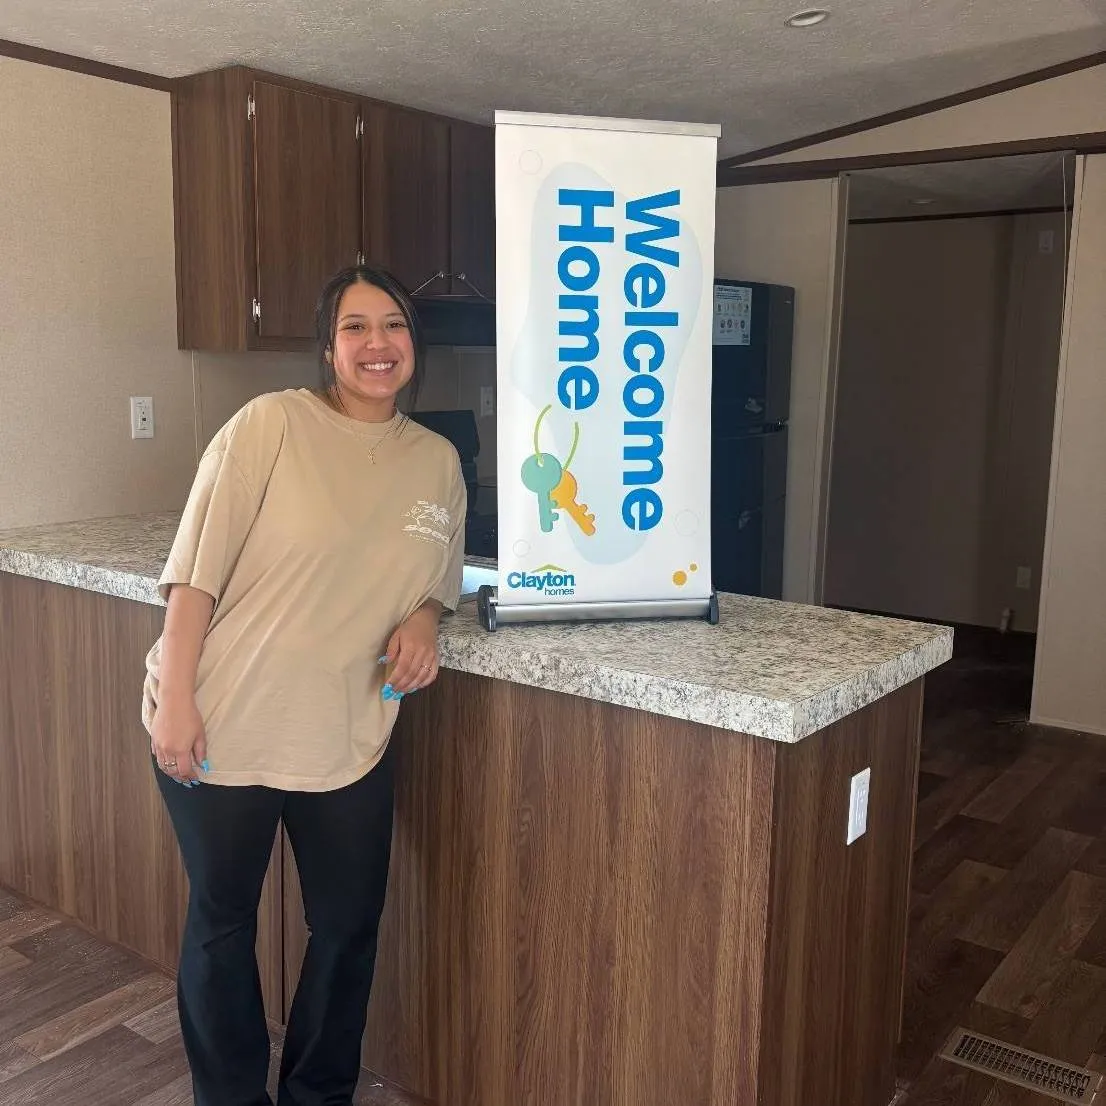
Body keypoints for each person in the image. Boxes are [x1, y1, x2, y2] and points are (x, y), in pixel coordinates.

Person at [141, 264, 467, 1106]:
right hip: (226, 720)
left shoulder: (437, 461)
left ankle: (318, 1095)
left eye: (393, 325)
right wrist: (177, 702)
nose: (377, 344)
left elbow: (437, 578)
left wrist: (425, 619)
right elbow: (194, 576)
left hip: (349, 733)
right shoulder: (271, 424)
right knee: (223, 926)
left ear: (413, 343)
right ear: (328, 348)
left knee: (349, 928)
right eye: (355, 327)